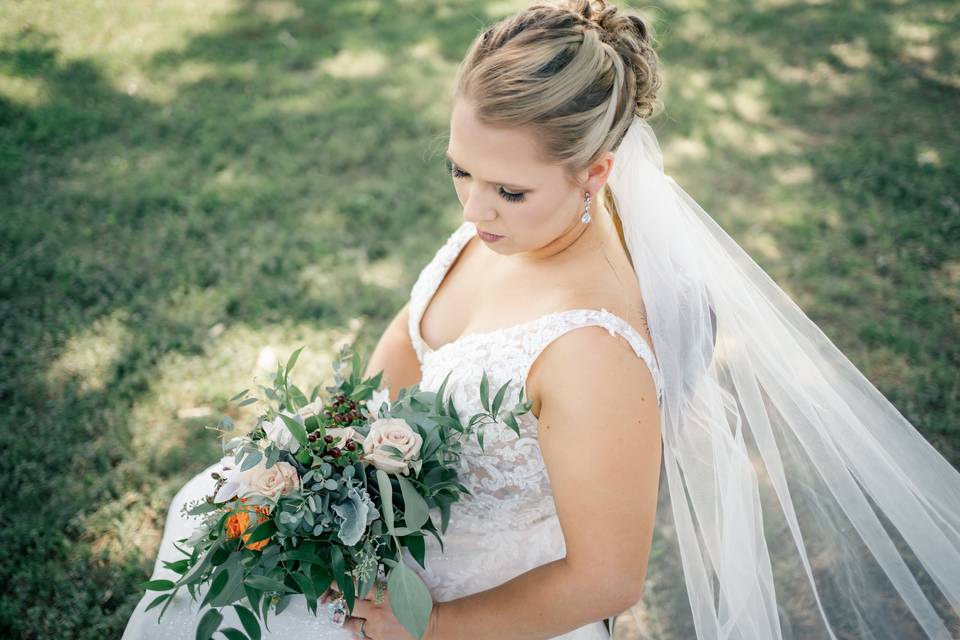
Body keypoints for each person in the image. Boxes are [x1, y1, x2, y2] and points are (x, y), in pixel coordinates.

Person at [123, 1, 960, 639]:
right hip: (370, 547)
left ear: (595, 171)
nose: (475, 210)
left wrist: (425, 629)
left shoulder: (591, 349)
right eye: (461, 172)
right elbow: (403, 355)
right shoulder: (505, 224)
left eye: (508, 190)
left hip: (465, 609)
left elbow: (606, 580)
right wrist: (314, 458)